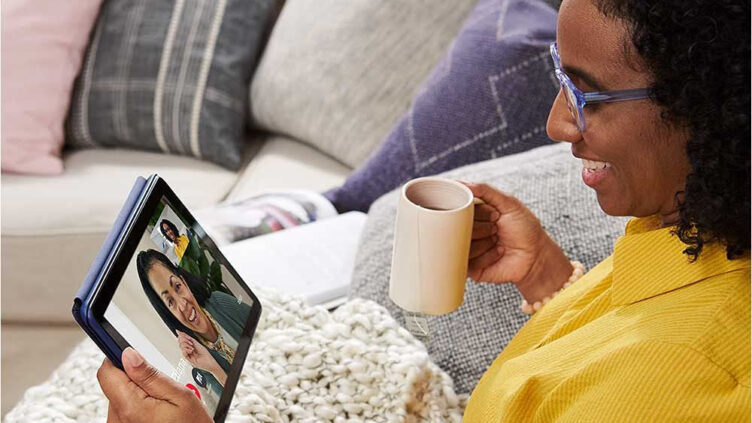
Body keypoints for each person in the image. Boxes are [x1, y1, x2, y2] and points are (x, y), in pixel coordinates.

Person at [97, 0, 749, 421]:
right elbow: (600, 352)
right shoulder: (681, 231)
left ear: (707, 103)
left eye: (586, 95)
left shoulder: (678, 382)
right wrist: (547, 280)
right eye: (560, 77)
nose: (556, 123)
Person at [134, 249, 251, 397]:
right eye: (170, 302)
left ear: (184, 282)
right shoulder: (197, 357)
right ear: (168, 312)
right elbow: (238, 401)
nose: (183, 305)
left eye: (177, 287)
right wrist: (214, 368)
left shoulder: (221, 302)